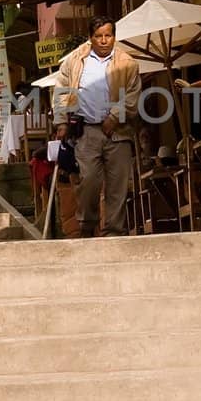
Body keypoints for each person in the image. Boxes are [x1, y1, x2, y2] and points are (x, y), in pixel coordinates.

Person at [54, 17, 141, 237]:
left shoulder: (127, 63)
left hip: (118, 132)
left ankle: (114, 231)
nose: (103, 40)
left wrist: (114, 116)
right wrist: (62, 121)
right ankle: (86, 225)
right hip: (87, 131)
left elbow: (133, 95)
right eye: (98, 36)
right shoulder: (75, 60)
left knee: (117, 186)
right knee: (89, 180)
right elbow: (61, 91)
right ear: (90, 37)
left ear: (114, 37)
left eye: (108, 35)